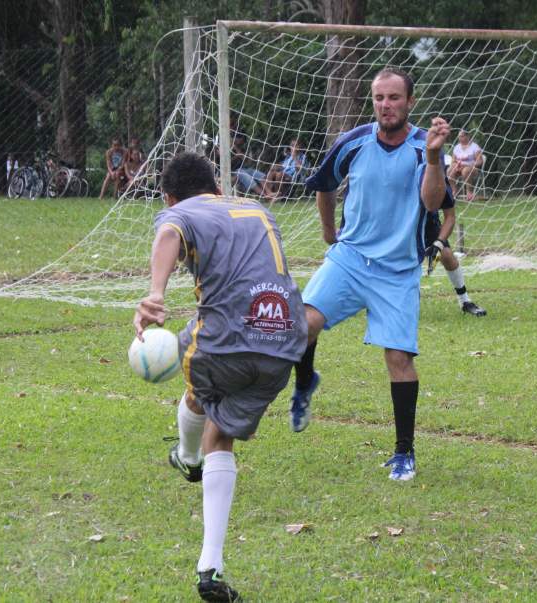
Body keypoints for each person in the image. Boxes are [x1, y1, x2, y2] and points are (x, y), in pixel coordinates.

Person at [133, 152, 307, 601]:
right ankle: (209, 567)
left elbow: (169, 232)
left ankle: (187, 459)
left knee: (199, 380)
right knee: (221, 432)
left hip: (225, 337)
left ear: (171, 195)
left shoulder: (179, 212)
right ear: (215, 184)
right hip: (285, 341)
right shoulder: (257, 208)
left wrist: (155, 293)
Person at [289, 68, 451, 482]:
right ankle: (305, 381)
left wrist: (434, 158)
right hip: (350, 257)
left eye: (394, 97)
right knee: (303, 323)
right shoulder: (353, 142)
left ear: (409, 102)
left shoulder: (423, 148)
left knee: (398, 358)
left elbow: (432, 203)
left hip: (398, 270)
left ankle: (403, 453)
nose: (386, 105)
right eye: (379, 98)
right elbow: (324, 184)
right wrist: (329, 233)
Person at [425, 201, 487, 317]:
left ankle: (465, 301)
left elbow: (450, 217)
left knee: (447, 255)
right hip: (401, 224)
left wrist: (439, 243)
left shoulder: (442, 185)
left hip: (429, 224)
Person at [447, 129, 484, 201]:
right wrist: (457, 166)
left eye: (462, 136)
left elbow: (480, 161)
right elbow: (453, 161)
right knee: (449, 170)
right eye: (459, 136)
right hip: (459, 168)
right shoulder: (457, 147)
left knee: (465, 171)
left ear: (468, 136)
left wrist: (469, 165)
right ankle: (454, 191)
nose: (460, 138)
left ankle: (469, 193)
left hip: (472, 169)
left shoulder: (475, 147)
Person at [231, 134, 271, 199]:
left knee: (261, 175)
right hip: (234, 171)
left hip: (244, 169)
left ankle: (269, 192)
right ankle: (265, 196)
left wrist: (239, 151)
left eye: (242, 139)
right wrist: (236, 156)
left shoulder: (243, 149)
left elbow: (246, 160)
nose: (241, 140)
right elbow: (226, 163)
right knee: (247, 177)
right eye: (239, 138)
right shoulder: (229, 149)